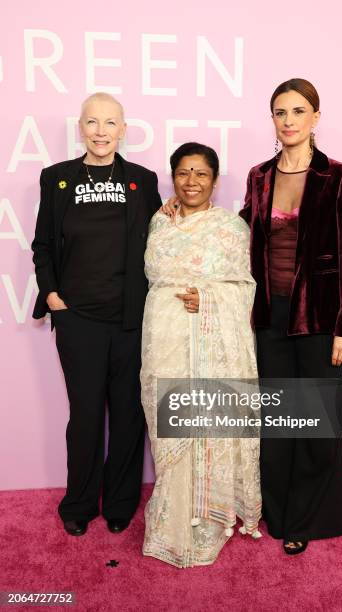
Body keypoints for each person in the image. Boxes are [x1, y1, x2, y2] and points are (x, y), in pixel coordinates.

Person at [240, 78, 342, 554]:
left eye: (297, 111)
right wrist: (187, 215)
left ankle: (308, 520)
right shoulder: (259, 175)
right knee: (277, 420)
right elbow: (240, 232)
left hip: (319, 316)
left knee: (313, 421)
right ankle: (277, 511)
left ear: (315, 116)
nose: (288, 121)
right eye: (279, 112)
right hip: (269, 314)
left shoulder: (339, 175)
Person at [31, 92, 162, 536]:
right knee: (85, 415)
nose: (101, 131)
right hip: (79, 320)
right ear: (80, 128)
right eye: (93, 122)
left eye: (110, 123)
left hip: (130, 320)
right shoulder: (57, 179)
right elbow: (43, 245)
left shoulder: (143, 181)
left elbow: (158, 248)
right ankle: (80, 502)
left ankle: (121, 502)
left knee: (127, 415)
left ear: (123, 129)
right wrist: (52, 297)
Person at [141, 142, 262, 568]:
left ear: (214, 179)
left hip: (209, 345)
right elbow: (154, 276)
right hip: (165, 335)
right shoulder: (160, 222)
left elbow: (245, 288)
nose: (191, 182)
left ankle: (207, 520)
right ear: (172, 178)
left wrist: (207, 298)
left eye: (201, 174)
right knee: (168, 425)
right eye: (183, 173)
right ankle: (170, 520)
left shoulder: (231, 229)